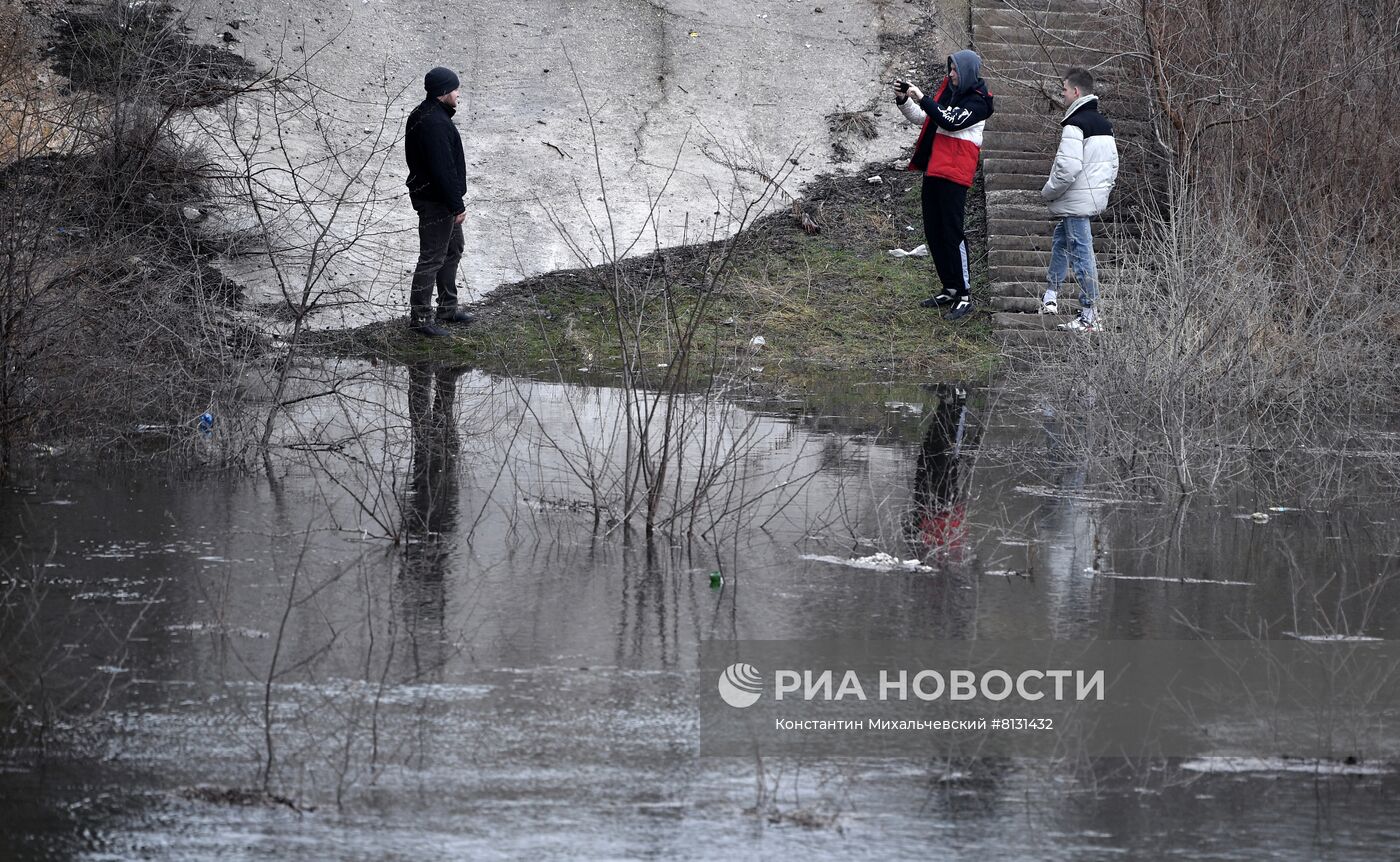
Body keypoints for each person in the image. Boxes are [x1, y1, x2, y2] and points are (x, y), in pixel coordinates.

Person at [895, 50, 994, 322]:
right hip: (935, 169)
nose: (950, 74)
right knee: (934, 231)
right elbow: (924, 118)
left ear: (968, 73)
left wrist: (922, 97)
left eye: (955, 70)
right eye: (950, 69)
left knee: (952, 233)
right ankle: (949, 287)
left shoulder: (979, 102)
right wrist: (903, 100)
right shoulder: (947, 93)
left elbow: (949, 121)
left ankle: (964, 295)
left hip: (955, 174)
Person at [1040, 67, 1119, 332]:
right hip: (1090, 197)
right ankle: (1050, 295)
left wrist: (1048, 192)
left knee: (1082, 251)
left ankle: (1090, 314)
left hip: (1076, 198)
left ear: (1075, 92)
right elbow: (1113, 166)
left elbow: (1067, 169)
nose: (1061, 95)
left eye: (1063, 90)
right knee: (1062, 239)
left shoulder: (1075, 124)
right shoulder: (1105, 124)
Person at [405, 66, 475, 337]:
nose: (458, 93)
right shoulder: (434, 123)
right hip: (437, 201)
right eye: (455, 89)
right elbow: (441, 169)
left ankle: (447, 307)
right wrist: (456, 205)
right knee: (432, 257)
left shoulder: (426, 114)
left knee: (453, 248)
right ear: (444, 92)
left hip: (438, 198)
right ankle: (420, 319)